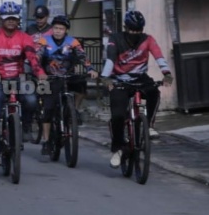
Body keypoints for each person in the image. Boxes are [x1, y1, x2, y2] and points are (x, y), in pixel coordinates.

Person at [101, 10, 173, 168]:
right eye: (132, 30)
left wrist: (167, 73)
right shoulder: (115, 39)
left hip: (140, 78)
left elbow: (159, 56)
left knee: (154, 92)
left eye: (138, 30)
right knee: (118, 116)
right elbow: (111, 59)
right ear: (126, 27)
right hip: (119, 81)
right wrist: (105, 77)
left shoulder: (148, 39)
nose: (135, 33)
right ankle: (118, 149)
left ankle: (149, 126)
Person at [0, 1, 43, 166]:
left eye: (14, 18)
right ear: (1, 19)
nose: (11, 21)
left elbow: (32, 57)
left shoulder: (24, 37)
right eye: (8, 18)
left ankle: (26, 127)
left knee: (31, 100)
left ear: (18, 20)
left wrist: (40, 73)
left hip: (18, 78)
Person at [36, 15, 97, 153]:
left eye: (61, 29)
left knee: (81, 84)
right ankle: (46, 141)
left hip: (68, 76)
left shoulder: (72, 42)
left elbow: (82, 56)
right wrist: (39, 72)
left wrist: (90, 69)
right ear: (52, 29)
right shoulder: (44, 41)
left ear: (66, 30)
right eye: (56, 28)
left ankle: (74, 109)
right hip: (50, 78)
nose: (58, 31)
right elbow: (37, 56)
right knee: (48, 109)